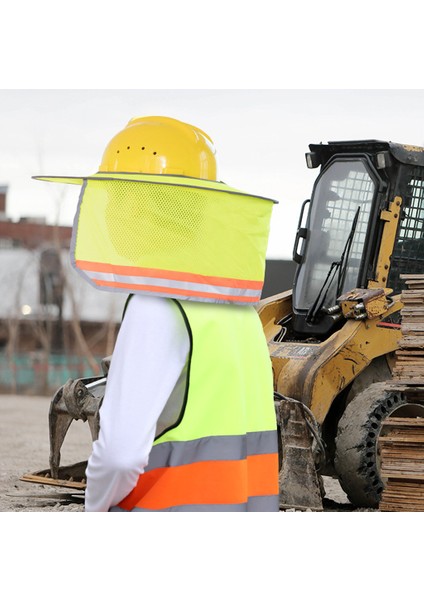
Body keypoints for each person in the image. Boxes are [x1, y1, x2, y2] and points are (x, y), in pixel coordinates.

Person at [35, 115, 279, 511]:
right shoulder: (237, 309)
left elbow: (120, 455)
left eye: (114, 197)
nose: (109, 211)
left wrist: (94, 509)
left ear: (138, 205)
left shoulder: (158, 302)